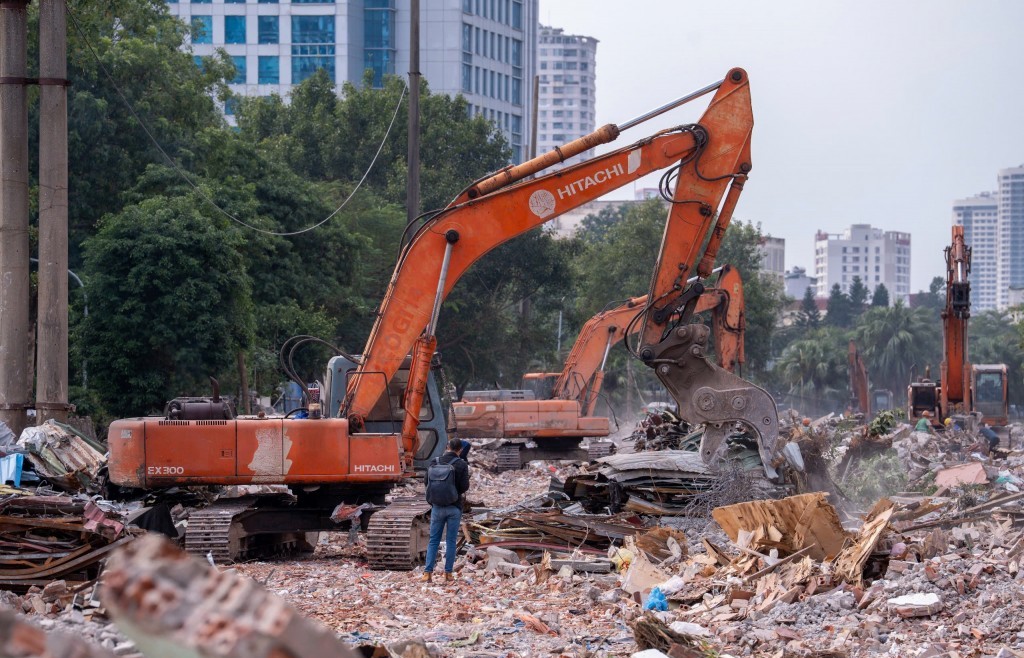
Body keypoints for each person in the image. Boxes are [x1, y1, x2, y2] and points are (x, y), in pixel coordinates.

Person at [421, 438, 470, 583]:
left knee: (433, 540)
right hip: (454, 507)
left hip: (437, 507)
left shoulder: (434, 462)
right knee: (450, 541)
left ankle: (427, 573)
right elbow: (464, 487)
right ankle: (448, 573)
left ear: (447, 446)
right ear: (460, 450)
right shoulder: (461, 464)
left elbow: (426, 482)